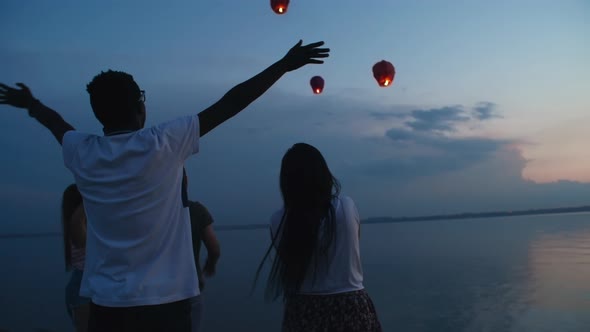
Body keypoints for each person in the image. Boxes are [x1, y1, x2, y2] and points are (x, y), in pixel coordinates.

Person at [0, 40, 329, 332]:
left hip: (107, 306)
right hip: (166, 305)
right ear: (140, 107)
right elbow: (232, 102)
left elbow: (55, 124)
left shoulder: (82, 152)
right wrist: (284, 66)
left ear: (100, 113)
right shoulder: (165, 142)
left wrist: (31, 104)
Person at [256, 143, 382, 332]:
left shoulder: (278, 220)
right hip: (349, 306)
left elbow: (290, 261)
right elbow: (355, 244)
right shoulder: (345, 208)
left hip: (302, 310)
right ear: (323, 174)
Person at [184, 169, 221, 332]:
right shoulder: (196, 210)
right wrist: (211, 264)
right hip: (190, 289)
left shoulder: (154, 213)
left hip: (155, 294)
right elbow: (214, 249)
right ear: (186, 181)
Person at [62, 184, 91, 332]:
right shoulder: (77, 228)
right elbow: (77, 222)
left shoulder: (81, 228)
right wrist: (91, 195)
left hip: (84, 286)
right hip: (82, 288)